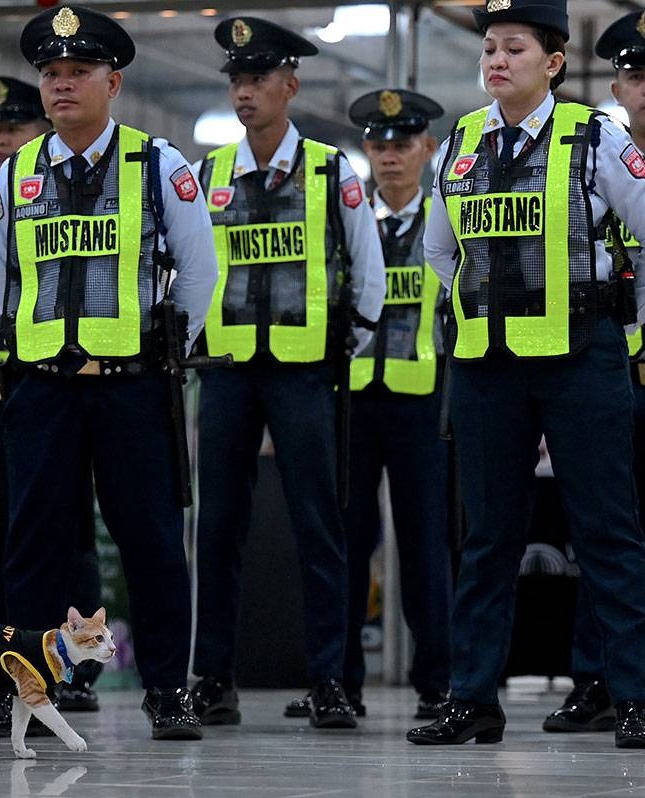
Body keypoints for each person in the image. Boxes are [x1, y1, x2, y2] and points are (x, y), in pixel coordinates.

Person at [408, 0, 645, 749]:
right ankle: (473, 699)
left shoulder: (595, 137)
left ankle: (632, 699)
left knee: (607, 531)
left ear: (553, 62)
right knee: (488, 538)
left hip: (578, 361)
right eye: (490, 48)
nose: (497, 60)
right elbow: (439, 250)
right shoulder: (461, 142)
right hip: (487, 367)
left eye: (515, 47)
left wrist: (619, 327)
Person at [0, 5, 218, 740]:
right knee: (34, 547)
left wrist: (152, 348)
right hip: (43, 388)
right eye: (51, 74)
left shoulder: (156, 164)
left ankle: (168, 690)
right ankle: (22, 687)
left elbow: (200, 275)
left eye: (78, 73)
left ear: (113, 82)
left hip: (132, 388)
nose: (61, 86)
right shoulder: (17, 174)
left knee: (149, 543)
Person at [188, 17, 384, 729]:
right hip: (228, 372)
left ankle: (329, 678)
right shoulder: (208, 175)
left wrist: (346, 351)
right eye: (237, 81)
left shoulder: (332, 171)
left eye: (258, 79)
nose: (245, 92)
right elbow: (186, 267)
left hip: (306, 375)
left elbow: (369, 273)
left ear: (289, 86)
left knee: (319, 527)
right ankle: (212, 677)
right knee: (218, 528)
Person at [541, 7, 645, 737]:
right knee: (601, 533)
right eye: (635, 76)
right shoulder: (590, 159)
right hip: (612, 371)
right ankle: (595, 683)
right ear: (618, 88)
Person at [0, 74, 104, 726]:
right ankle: (3, 662)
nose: (0, 142)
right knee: (2, 536)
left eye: (12, 130)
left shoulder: (49, 192)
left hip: (46, 381)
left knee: (65, 532)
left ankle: (74, 670)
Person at [339, 88, 452, 721]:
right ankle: (341, 682)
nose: (389, 156)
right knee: (348, 546)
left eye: (402, 144)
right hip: (353, 404)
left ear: (427, 148)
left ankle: (437, 682)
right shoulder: (350, 219)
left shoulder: (448, 219)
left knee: (426, 546)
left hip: (424, 405)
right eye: (378, 145)